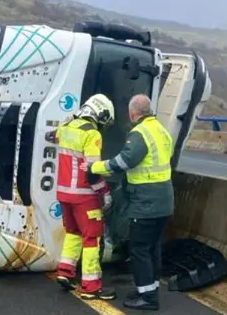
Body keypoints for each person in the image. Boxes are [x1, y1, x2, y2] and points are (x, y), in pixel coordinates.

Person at [86, 94, 174, 311]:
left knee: (139, 249)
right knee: (152, 247)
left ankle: (149, 299)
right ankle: (149, 290)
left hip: (145, 202)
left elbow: (123, 161)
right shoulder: (162, 131)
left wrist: (93, 167)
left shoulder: (139, 134)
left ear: (132, 113)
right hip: (164, 201)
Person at [46, 94, 117, 301]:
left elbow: (51, 135)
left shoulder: (67, 128)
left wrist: (67, 120)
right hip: (84, 196)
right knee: (91, 238)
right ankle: (91, 286)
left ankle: (65, 272)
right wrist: (104, 192)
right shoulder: (92, 134)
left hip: (64, 194)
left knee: (73, 232)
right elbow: (92, 170)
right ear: (100, 113)